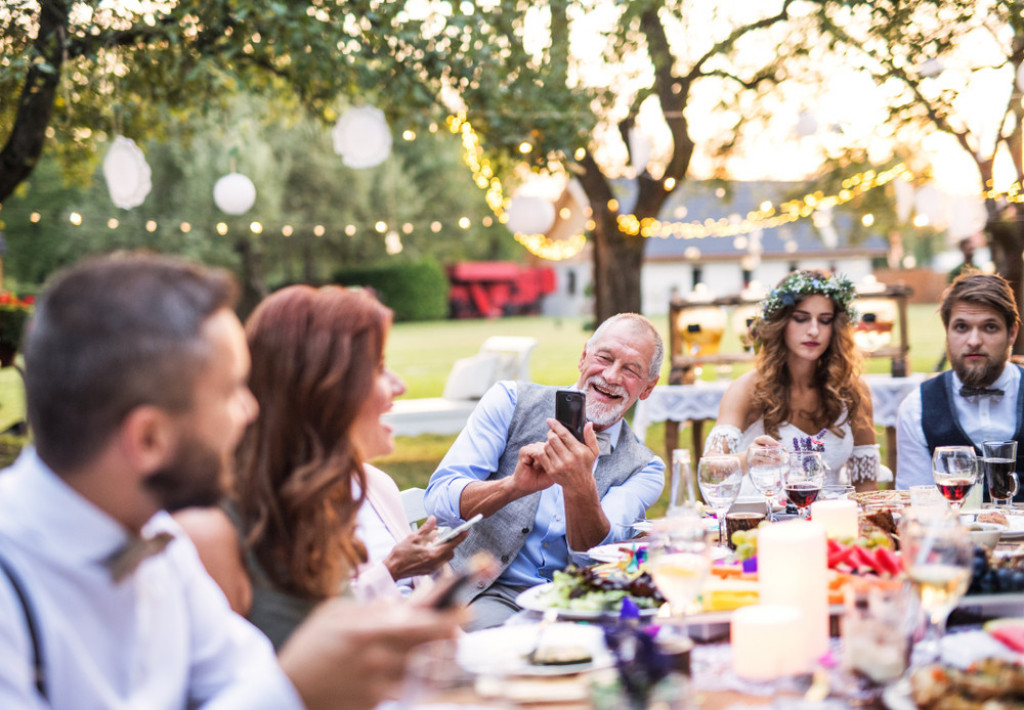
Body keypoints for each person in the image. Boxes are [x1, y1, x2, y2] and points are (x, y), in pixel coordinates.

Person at [0, 253, 458, 710]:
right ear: (149, 438)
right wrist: (295, 689)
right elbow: (271, 692)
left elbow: (239, 678)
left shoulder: (161, 545)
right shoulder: (12, 584)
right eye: (231, 392)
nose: (253, 409)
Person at [178, 285, 465, 648]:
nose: (400, 386)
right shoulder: (216, 530)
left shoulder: (324, 504)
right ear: (322, 392)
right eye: (377, 368)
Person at [424, 313, 666, 630]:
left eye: (631, 370)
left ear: (648, 387)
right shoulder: (510, 401)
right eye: (604, 358)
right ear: (583, 357)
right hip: (486, 592)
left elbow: (594, 557)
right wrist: (514, 486)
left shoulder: (646, 467)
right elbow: (439, 500)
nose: (611, 375)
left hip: (578, 604)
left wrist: (580, 486)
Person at [705, 269, 880, 491]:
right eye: (801, 318)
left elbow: (867, 486)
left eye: (825, 320)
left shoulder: (851, 390)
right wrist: (747, 459)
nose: (814, 331)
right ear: (781, 322)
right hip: (764, 521)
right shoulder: (749, 388)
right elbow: (710, 467)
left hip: (831, 520)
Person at [896, 270, 1024, 497]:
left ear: (1012, 333)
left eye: (990, 327)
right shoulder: (916, 408)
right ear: (947, 332)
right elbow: (914, 506)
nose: (974, 341)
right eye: (962, 327)